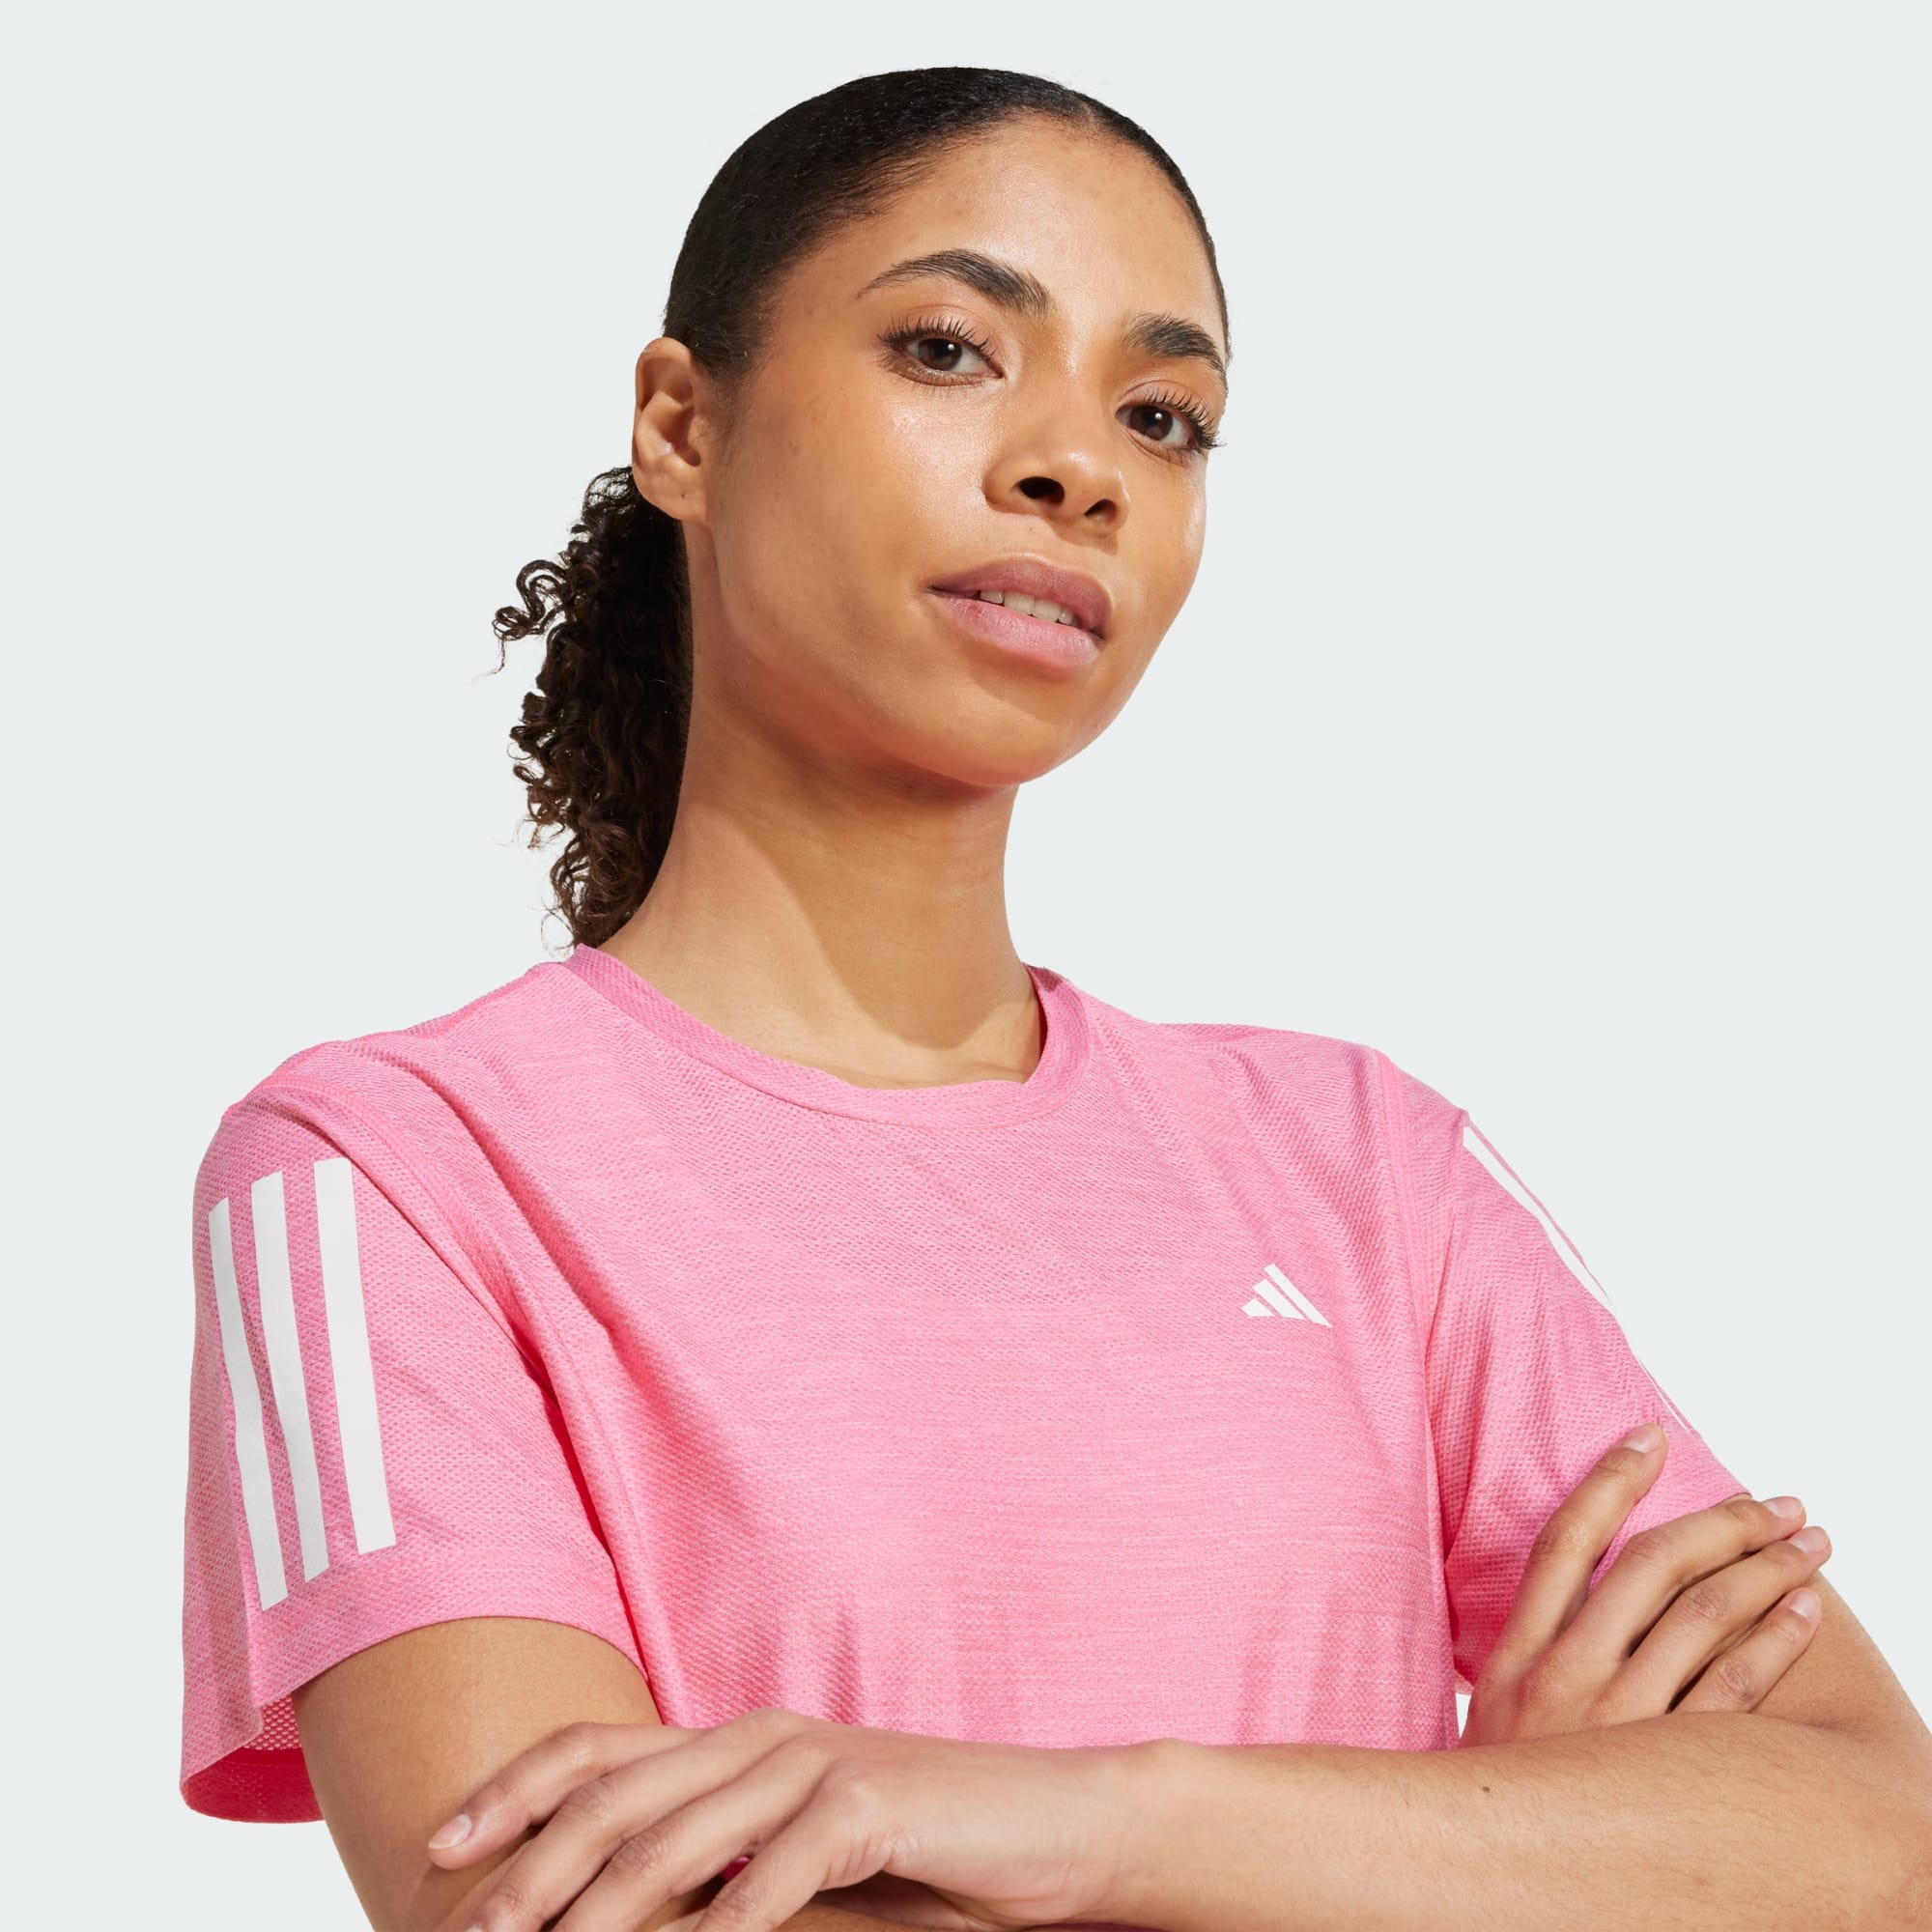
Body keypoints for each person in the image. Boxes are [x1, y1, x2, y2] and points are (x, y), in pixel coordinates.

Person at [179, 66, 1931, 1932]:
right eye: (948, 349)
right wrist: (1480, 1852)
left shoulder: (1372, 1171)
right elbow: (551, 1913)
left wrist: (1088, 1820)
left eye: (1163, 417)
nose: (1077, 466)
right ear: (684, 426)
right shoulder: (386, 1175)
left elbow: (1877, 1836)